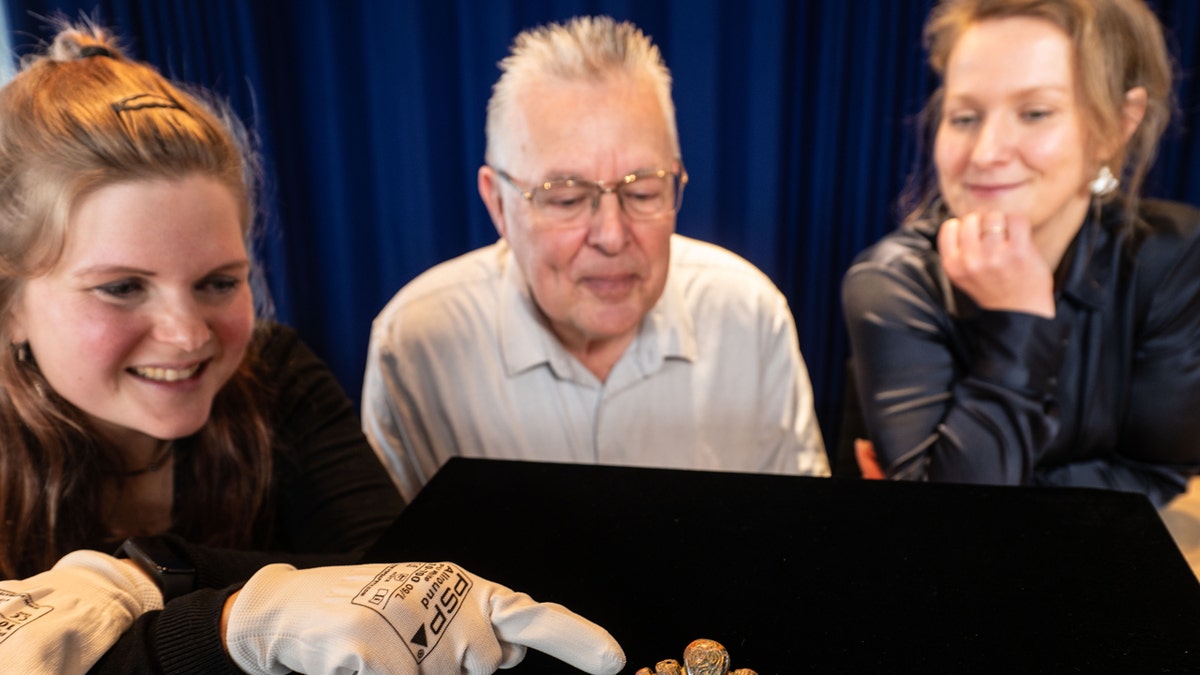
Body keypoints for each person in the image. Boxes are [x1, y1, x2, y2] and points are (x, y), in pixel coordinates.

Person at [0, 22, 624, 675]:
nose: (186, 334)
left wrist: (149, 572)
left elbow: (396, 575)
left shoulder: (276, 377)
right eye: (122, 287)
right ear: (11, 304)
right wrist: (217, 622)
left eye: (218, 282)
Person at [363, 15, 829, 501]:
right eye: (565, 198)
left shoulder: (749, 317)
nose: (611, 236)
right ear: (497, 203)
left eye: (644, 192)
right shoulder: (416, 344)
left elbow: (805, 531)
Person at [841, 0, 1200, 507]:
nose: (987, 152)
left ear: (1118, 125)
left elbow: (1158, 475)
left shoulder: (1176, 259)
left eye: (1035, 113)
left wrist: (1000, 496)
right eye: (964, 117)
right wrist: (1020, 316)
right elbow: (948, 519)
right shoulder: (894, 278)